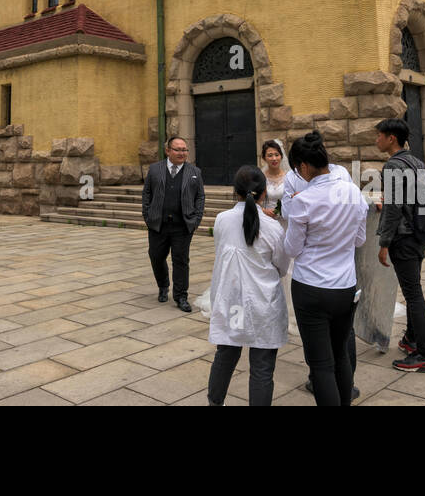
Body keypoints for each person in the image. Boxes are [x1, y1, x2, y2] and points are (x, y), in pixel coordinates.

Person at [283, 134, 369, 405]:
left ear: (304, 167)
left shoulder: (305, 200)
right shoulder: (353, 191)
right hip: (344, 286)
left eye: (297, 169)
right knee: (340, 353)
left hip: (311, 287)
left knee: (321, 364)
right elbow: (359, 240)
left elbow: (292, 249)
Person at [206, 166, 291, 406]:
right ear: (264, 193)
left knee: (226, 353)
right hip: (264, 304)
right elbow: (282, 267)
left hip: (234, 302)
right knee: (262, 367)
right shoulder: (272, 228)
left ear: (236, 192)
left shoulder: (222, 219)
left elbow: (221, 254)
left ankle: (215, 402)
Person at [375, 117, 425, 373]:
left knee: (413, 294)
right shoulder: (416, 161)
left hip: (404, 237)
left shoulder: (393, 166)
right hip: (420, 234)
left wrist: (384, 242)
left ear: (391, 138)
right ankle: (412, 341)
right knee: (414, 291)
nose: (376, 140)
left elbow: (393, 208)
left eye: (379, 136)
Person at [142, 136, 205, 312]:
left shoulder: (195, 172)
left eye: (184, 150)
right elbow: (147, 193)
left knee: (181, 261)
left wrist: (196, 219)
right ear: (168, 151)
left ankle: (181, 296)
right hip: (158, 224)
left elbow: (200, 196)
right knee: (156, 256)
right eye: (177, 149)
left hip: (183, 225)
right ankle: (163, 286)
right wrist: (147, 215)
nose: (182, 153)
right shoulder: (155, 169)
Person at [261, 140, 289, 219]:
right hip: (266, 218)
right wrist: (263, 210)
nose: (274, 158)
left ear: (281, 156)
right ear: (264, 158)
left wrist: (279, 210)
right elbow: (254, 201)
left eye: (277, 155)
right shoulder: (260, 177)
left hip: (284, 219)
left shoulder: (289, 177)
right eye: (270, 155)